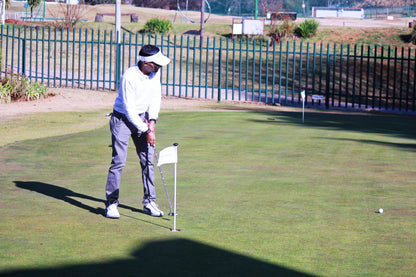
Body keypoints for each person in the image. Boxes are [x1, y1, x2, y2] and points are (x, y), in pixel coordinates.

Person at [105, 45, 170, 219]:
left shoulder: (154, 74)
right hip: (122, 119)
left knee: (148, 160)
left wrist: (153, 123)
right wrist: (146, 129)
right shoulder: (129, 77)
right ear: (146, 63)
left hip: (143, 117)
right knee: (118, 161)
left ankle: (149, 202)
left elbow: (155, 98)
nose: (159, 68)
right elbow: (129, 110)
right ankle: (111, 203)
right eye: (156, 65)